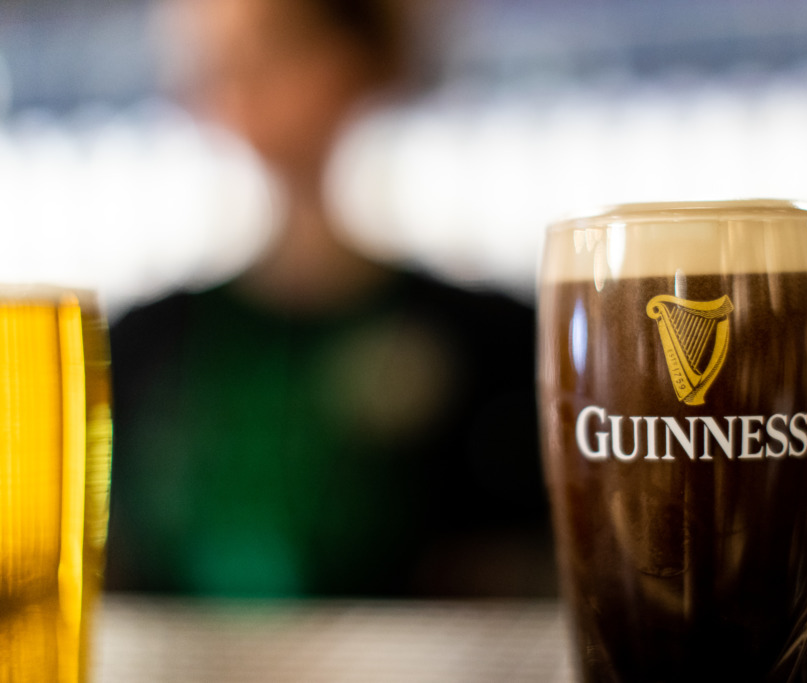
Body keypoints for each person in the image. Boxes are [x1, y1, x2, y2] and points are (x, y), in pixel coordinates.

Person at [107, 0, 552, 598]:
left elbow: (517, 574)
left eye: (270, 52)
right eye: (213, 63)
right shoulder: (139, 343)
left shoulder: (489, 341)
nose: (238, 84)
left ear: (356, 60)